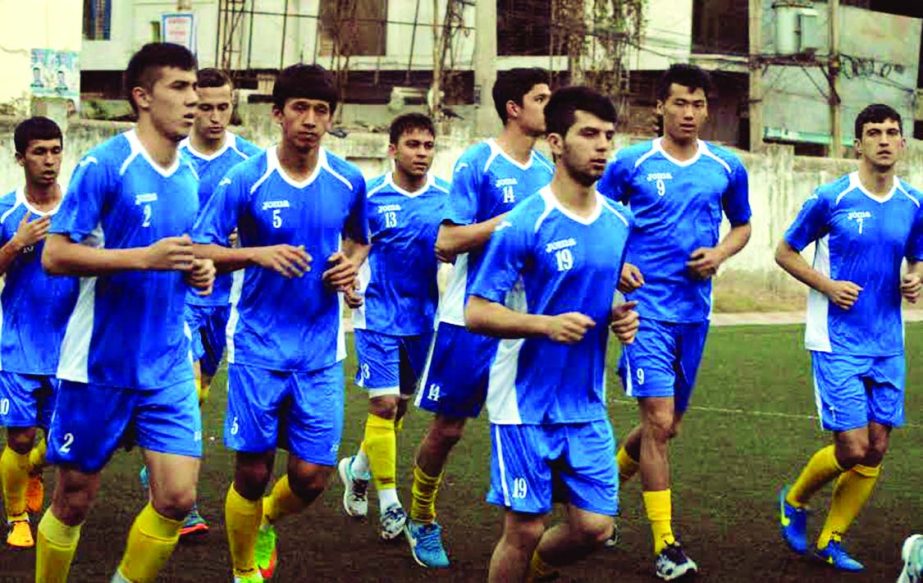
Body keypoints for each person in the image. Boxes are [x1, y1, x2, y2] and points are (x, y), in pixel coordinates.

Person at [37, 42, 215, 583]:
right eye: (179, 88)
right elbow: (55, 254)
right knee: (73, 500)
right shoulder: (106, 165)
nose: (194, 101)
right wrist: (143, 258)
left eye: (195, 87)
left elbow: (180, 255)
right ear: (142, 96)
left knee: (179, 498)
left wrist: (197, 270)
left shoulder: (190, 175)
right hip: (99, 364)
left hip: (166, 361)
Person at [191, 64, 368, 583]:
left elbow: (360, 238)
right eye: (300, 109)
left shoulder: (347, 179)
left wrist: (350, 265)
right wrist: (257, 254)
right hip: (257, 346)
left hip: (320, 350)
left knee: (311, 477)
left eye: (321, 111)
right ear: (278, 114)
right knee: (252, 469)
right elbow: (202, 250)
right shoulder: (245, 178)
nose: (310, 120)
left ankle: (264, 519)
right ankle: (244, 569)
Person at [465, 85, 639, 583]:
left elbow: (597, 293)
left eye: (608, 135)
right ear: (557, 143)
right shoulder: (525, 221)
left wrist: (620, 314)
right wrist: (544, 325)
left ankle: (537, 571)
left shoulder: (617, 222)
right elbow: (477, 311)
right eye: (589, 134)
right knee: (524, 527)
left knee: (594, 528)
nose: (603, 146)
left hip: (584, 401)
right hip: (523, 401)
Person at [597, 63, 751, 580]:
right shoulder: (630, 163)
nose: (689, 113)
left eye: (698, 104)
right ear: (659, 107)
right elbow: (597, 216)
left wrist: (720, 254)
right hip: (644, 315)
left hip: (695, 315)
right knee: (658, 423)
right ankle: (666, 545)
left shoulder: (726, 167)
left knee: (667, 427)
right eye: (680, 103)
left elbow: (744, 225)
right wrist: (617, 267)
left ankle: (604, 492)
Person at [406, 67, 554, 569]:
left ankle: (529, 533)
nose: (547, 107)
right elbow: (446, 241)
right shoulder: (479, 162)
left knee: (532, 423)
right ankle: (420, 515)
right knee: (448, 429)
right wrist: (506, 225)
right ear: (514, 107)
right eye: (540, 98)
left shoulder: (547, 171)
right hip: (469, 318)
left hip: (523, 322)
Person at [776, 103, 923, 572]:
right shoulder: (831, 197)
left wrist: (916, 279)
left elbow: (917, 257)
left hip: (887, 341)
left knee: (877, 447)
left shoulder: (914, 203)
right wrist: (827, 286)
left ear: (902, 143)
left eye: (892, 132)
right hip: (836, 340)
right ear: (857, 144)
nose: (884, 139)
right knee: (852, 448)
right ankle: (794, 500)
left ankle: (832, 538)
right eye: (874, 132)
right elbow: (784, 252)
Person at [139, 67, 262, 539]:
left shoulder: (250, 162)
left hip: (227, 300)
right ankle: (173, 488)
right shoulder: (174, 162)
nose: (213, 116)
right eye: (204, 106)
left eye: (222, 107)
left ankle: (155, 448)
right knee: (188, 389)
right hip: (180, 297)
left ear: (233, 107)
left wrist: (236, 245)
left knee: (204, 388)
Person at [338, 113, 449, 540]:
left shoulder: (446, 199)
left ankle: (358, 469)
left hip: (423, 318)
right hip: (376, 314)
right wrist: (348, 284)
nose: (421, 153)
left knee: (399, 407)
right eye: (413, 145)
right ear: (392, 149)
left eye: (427, 146)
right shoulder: (371, 198)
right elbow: (352, 249)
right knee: (382, 404)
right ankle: (391, 504)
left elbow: (454, 250)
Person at [0, 117, 77, 549]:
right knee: (20, 435)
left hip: (71, 349)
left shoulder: (80, 210)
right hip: (19, 344)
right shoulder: (7, 211)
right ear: (20, 157)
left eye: (55, 150)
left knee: (64, 442)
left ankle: (31, 471)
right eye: (39, 152)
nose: (49, 161)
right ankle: (16, 518)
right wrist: (16, 243)